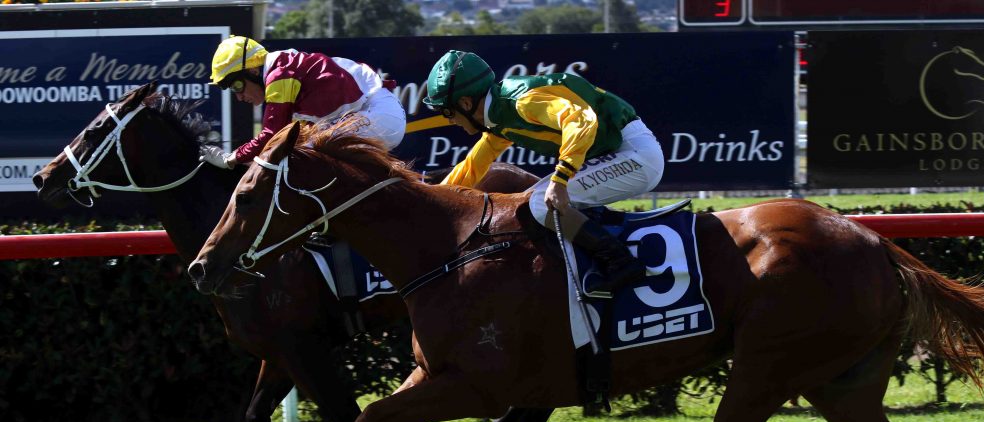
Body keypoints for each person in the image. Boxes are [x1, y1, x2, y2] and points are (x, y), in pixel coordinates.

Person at [423, 50, 665, 293]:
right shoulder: (497, 115)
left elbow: (580, 119)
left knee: (540, 203)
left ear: (466, 103)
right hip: (616, 153)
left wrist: (561, 178)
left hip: (636, 155)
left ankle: (620, 263)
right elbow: (472, 166)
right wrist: (434, 202)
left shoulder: (520, 102)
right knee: (526, 202)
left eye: (447, 112)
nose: (450, 120)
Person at [202, 36, 406, 168]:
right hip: (376, 113)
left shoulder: (279, 74)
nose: (239, 97)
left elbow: (271, 134)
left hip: (376, 114)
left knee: (297, 159)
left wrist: (230, 159)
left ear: (253, 70)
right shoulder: (282, 67)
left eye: (237, 86)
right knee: (292, 154)